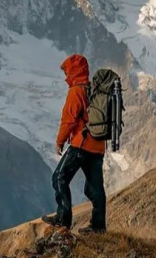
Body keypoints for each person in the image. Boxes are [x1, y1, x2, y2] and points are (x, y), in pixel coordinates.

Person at [42, 54, 107, 234]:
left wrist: (60, 141)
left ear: (74, 71)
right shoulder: (93, 89)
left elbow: (68, 120)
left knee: (59, 177)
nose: (65, 76)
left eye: (67, 71)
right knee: (95, 188)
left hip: (81, 144)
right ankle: (99, 226)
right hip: (98, 147)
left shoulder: (76, 91)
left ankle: (63, 220)